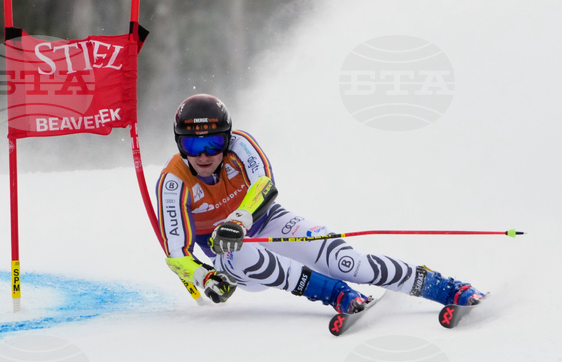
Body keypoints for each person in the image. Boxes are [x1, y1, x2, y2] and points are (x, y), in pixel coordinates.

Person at [157, 93, 484, 313]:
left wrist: (239, 220)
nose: (203, 156)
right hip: (232, 257)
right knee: (239, 250)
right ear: (179, 144)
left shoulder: (240, 146)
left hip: (267, 222)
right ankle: (335, 294)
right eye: (192, 145)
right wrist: (205, 277)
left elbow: (265, 185)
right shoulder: (173, 182)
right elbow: (176, 254)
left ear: (227, 139)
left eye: (213, 143)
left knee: (349, 263)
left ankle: (445, 288)